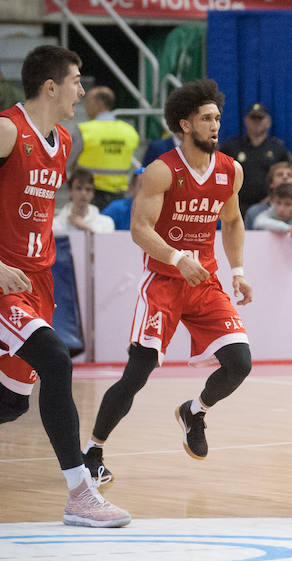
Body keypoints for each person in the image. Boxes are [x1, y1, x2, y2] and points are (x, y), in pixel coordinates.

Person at [82, 78, 253, 485]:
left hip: (205, 282)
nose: (215, 125)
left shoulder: (231, 170)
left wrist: (239, 271)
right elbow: (140, 229)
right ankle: (93, 451)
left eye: (217, 118)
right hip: (162, 282)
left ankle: (194, 411)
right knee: (137, 373)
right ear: (185, 124)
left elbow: (231, 221)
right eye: (206, 118)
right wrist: (178, 258)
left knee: (239, 363)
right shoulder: (160, 171)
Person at [0, 45, 129, 527]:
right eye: (76, 80)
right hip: (3, 279)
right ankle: (80, 493)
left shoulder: (64, 139)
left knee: (11, 403)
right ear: (50, 86)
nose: (83, 90)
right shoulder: (8, 129)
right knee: (56, 359)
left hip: (38, 281)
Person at [67, 85, 139, 210]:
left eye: (88, 101)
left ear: (99, 103)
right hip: (119, 195)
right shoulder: (130, 131)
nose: (85, 106)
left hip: (89, 194)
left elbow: (67, 162)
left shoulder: (84, 130)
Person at [220, 102, 292, 215]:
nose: (257, 122)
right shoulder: (231, 147)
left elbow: (288, 178)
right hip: (235, 206)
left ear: (269, 122)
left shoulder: (278, 149)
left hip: (270, 208)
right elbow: (219, 175)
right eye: (253, 118)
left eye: (260, 118)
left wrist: (272, 199)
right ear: (246, 121)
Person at [244, 161, 292, 230]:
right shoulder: (254, 212)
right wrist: (290, 229)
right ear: (271, 183)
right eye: (280, 174)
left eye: (290, 175)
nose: (285, 177)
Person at [52, 167, 115, 235]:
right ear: (70, 191)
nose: (83, 193)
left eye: (88, 189)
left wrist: (87, 228)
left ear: (93, 193)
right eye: (78, 188)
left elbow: (106, 245)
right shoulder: (55, 225)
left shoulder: (106, 223)